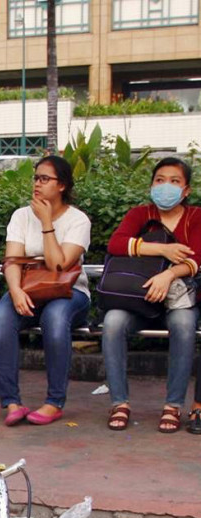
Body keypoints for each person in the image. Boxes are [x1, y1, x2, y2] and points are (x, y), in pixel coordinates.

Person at [0, 155, 92, 426]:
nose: (37, 184)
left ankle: (54, 402)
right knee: (2, 318)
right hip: (28, 288)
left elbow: (59, 264)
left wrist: (47, 222)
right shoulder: (21, 216)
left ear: (62, 185)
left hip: (69, 292)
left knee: (55, 319)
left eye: (45, 179)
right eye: (36, 178)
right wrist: (14, 291)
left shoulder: (78, 220)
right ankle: (12, 402)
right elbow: (12, 260)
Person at [103, 157, 200, 433]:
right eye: (159, 180)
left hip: (179, 298)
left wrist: (168, 274)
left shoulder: (196, 217)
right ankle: (119, 402)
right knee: (113, 322)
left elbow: (197, 258)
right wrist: (163, 250)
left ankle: (173, 405)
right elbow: (116, 243)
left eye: (174, 181)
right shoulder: (139, 214)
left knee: (184, 324)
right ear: (151, 185)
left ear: (186, 190)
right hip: (138, 298)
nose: (165, 186)